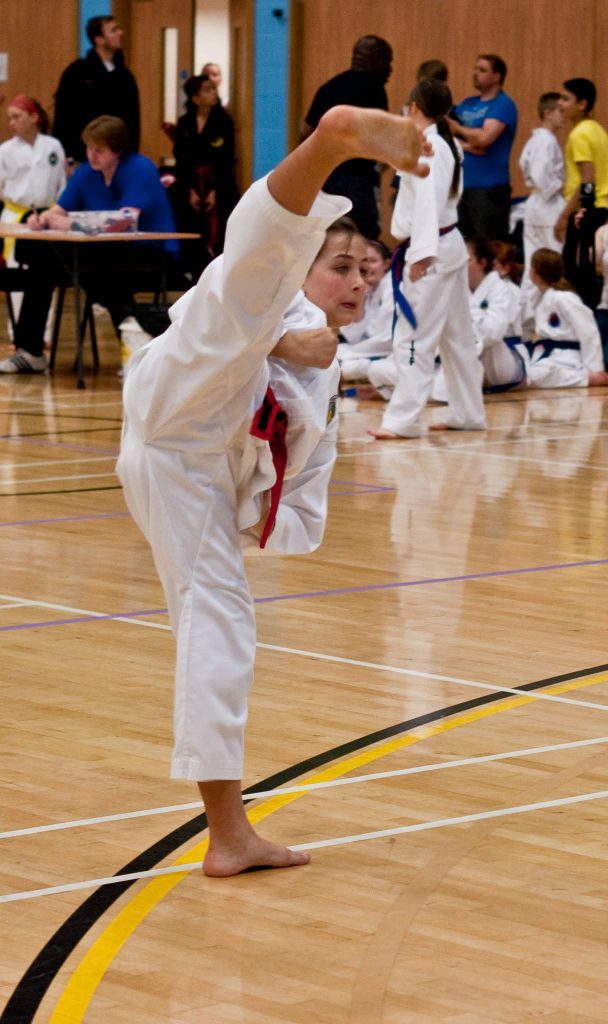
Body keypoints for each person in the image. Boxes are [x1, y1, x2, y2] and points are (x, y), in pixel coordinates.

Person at [115, 105, 427, 877]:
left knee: (222, 619)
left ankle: (229, 833)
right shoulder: (281, 306)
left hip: (194, 454)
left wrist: (297, 353)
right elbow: (208, 305)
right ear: (307, 270)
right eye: (341, 268)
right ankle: (328, 140)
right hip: (178, 417)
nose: (356, 282)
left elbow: (289, 474)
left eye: (366, 272)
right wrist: (282, 339)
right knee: (245, 292)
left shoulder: (328, 360)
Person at [0, 116, 176, 374]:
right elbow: (59, 210)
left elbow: (124, 221)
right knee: (42, 266)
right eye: (89, 149)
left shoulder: (140, 169)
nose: (92, 156)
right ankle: (31, 351)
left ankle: (137, 345)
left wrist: (68, 223)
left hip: (147, 254)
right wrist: (44, 218)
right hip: (102, 253)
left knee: (101, 274)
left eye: (99, 150)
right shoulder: (86, 173)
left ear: (117, 150)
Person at [368, 78, 486, 440]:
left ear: (415, 107)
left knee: (413, 338)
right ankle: (468, 412)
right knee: (458, 338)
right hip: (446, 248)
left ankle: (401, 420)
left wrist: (422, 253)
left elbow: (428, 204)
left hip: (433, 252)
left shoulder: (433, 147)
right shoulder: (440, 144)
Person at [300, 36, 393, 238]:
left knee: (329, 237)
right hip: (358, 184)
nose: (390, 69)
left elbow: (305, 133)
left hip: (325, 181)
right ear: (375, 59)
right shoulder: (374, 90)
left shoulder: (329, 87)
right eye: (388, 62)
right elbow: (380, 139)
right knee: (363, 240)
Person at [53, 14, 140, 165]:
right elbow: (63, 116)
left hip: (119, 157)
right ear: (99, 39)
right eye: (113, 30)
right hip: (83, 155)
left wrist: (131, 154)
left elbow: (133, 119)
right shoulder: (77, 72)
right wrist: (68, 155)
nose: (121, 33)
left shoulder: (125, 75)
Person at [449, 54, 518, 240]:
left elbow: (485, 138)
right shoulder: (467, 104)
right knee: (463, 245)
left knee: (489, 245)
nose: (475, 74)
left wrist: (458, 129)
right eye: (475, 68)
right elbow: (447, 135)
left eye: (482, 70)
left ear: (497, 76)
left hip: (489, 190)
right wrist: (468, 145)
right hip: (462, 187)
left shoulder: (503, 104)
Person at [172, 73, 238, 263]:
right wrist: (190, 189)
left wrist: (215, 191)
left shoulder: (224, 121)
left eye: (213, 89)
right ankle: (192, 268)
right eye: (207, 90)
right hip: (191, 181)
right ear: (195, 98)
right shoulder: (185, 123)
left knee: (220, 225)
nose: (213, 94)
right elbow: (181, 157)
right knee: (190, 224)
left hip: (219, 181)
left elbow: (226, 159)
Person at [555, 78, 608, 308]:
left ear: (582, 104)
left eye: (566, 99)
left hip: (587, 212)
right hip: (601, 209)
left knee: (578, 273)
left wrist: (566, 215)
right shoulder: (598, 130)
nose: (560, 104)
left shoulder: (579, 134)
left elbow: (588, 180)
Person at [526, 248, 608, 388]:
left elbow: (588, 332)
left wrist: (595, 369)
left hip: (566, 357)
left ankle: (585, 377)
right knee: (524, 374)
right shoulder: (536, 298)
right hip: (547, 356)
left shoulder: (564, 298)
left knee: (531, 377)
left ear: (534, 273)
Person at [0, 95, 66, 265]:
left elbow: (62, 184)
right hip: (16, 215)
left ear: (34, 117)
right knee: (16, 268)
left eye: (17, 116)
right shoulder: (5, 150)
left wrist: (56, 212)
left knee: (46, 269)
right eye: (9, 118)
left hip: (46, 216)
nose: (11, 123)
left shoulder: (53, 146)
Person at [467, 236, 526, 391]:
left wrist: (469, 314)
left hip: (504, 361)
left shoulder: (503, 289)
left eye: (467, 261)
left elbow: (493, 333)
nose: (460, 266)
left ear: (483, 262)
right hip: (474, 355)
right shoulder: (460, 290)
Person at [519, 92, 566, 269]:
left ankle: (528, 297)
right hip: (548, 205)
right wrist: (561, 185)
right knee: (553, 262)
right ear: (548, 113)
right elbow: (540, 175)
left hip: (535, 202)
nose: (565, 116)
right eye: (560, 111)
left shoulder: (535, 139)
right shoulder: (547, 141)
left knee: (534, 263)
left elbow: (523, 163)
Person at [338, 239, 393, 378]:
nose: (367, 267)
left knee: (345, 364)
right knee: (342, 363)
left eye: (373, 261)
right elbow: (352, 337)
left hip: (394, 353)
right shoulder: (364, 288)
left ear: (386, 264)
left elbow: (388, 340)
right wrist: (360, 300)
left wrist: (349, 352)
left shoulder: (394, 288)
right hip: (370, 351)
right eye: (363, 263)